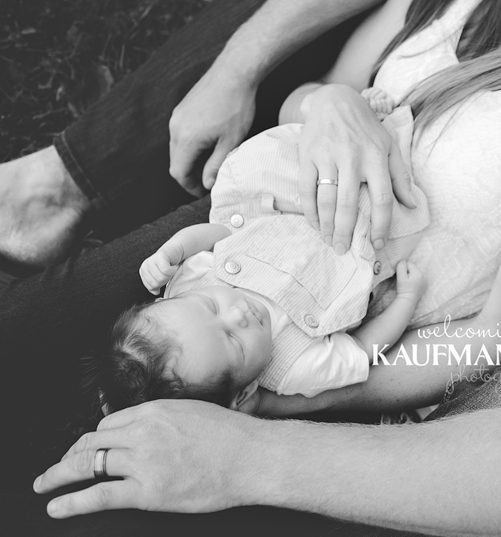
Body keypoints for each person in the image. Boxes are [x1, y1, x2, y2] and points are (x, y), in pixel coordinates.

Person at [2, 0, 501, 537]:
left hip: (382, 355)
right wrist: (329, 105)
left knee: (116, 524)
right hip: (260, 248)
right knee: (25, 336)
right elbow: (321, 92)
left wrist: (294, 399)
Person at [98, 103, 429, 413]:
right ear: (244, 392)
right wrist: (406, 299)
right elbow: (362, 349)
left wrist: (173, 251)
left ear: (166, 298)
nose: (237, 315)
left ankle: (373, 114)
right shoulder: (295, 370)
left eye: (211, 307)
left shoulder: (189, 284)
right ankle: (402, 141)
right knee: (409, 180)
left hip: (298, 200)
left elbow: (221, 232)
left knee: (298, 156)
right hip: (367, 236)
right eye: (234, 341)